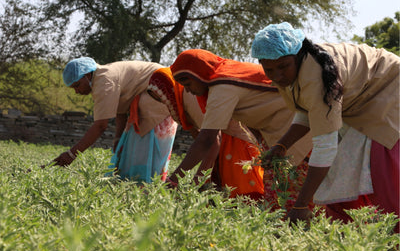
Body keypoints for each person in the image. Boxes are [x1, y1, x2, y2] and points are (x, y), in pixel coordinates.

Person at [251, 22, 400, 232]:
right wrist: (282, 145)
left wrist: (301, 204)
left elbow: (325, 147)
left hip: (388, 87)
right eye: (269, 69)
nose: (277, 75)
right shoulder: (294, 73)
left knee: (379, 166)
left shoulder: (318, 75)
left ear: (298, 55)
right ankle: (351, 232)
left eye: (283, 66)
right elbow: (307, 110)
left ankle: (392, 238)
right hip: (361, 100)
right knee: (340, 173)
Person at [165, 49, 312, 205]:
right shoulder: (225, 76)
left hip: (295, 126)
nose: (188, 90)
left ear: (199, 74)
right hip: (284, 128)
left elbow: (206, 139)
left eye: (188, 84)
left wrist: (174, 180)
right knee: (279, 190)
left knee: (293, 191)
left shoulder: (223, 85)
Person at [148, 67, 265, 200]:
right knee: (226, 197)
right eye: (160, 98)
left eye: (163, 94)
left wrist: (193, 182)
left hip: (235, 140)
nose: (164, 100)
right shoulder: (184, 100)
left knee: (243, 195)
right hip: (228, 140)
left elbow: (211, 141)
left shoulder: (191, 97)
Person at [54, 57, 177, 183]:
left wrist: (71, 154)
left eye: (77, 85)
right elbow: (120, 111)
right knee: (130, 151)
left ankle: (147, 187)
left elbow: (100, 126)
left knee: (143, 153)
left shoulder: (104, 82)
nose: (77, 91)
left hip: (161, 91)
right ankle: (137, 186)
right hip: (156, 91)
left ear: (87, 75)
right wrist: (118, 139)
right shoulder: (101, 78)